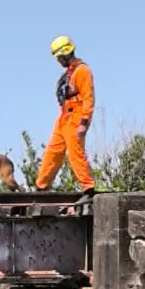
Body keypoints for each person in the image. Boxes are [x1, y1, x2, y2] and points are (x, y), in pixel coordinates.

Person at [36, 36, 95, 197]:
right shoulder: (70, 72)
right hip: (64, 116)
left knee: (75, 153)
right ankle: (41, 187)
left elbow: (88, 97)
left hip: (76, 115)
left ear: (64, 54)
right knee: (52, 151)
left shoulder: (82, 70)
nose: (58, 61)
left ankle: (88, 188)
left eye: (59, 57)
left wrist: (84, 122)